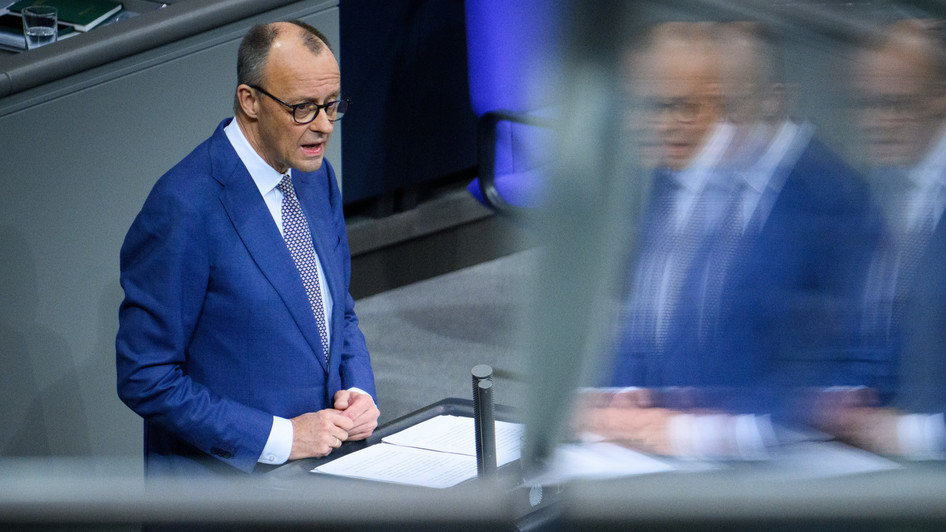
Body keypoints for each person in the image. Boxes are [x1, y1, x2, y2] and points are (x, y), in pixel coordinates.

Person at [580, 20, 877, 459]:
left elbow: (819, 369)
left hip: (779, 459)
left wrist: (685, 432)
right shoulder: (679, 174)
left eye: (689, 106)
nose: (662, 125)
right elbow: (656, 313)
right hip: (663, 444)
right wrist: (619, 396)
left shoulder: (828, 197)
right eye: (644, 106)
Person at [116, 20, 379, 476]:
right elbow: (147, 376)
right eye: (302, 108)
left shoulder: (316, 178)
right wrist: (281, 438)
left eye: (332, 105)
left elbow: (338, 312)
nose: (323, 126)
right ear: (250, 100)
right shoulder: (183, 206)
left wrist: (358, 391)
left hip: (322, 474)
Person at [816, 19, 946, 459]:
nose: (876, 122)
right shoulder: (872, 194)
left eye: (894, 104)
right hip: (865, 456)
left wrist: (917, 434)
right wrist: (837, 397)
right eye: (865, 105)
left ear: (940, 96)